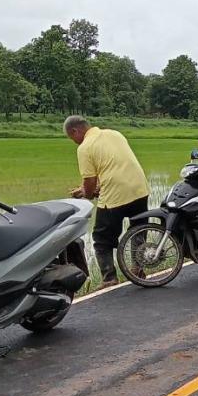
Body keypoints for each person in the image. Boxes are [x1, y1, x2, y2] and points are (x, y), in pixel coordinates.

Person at [64, 115, 150, 288]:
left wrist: (85, 193)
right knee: (138, 229)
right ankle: (138, 268)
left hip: (115, 195)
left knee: (101, 238)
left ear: (75, 131)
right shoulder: (114, 134)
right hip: (140, 188)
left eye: (71, 137)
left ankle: (109, 278)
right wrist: (90, 190)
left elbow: (90, 182)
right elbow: (114, 166)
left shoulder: (85, 148)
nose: (73, 141)